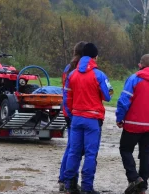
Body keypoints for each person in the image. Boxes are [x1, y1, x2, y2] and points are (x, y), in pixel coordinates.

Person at [63, 43, 113, 194]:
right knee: (91, 154)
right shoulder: (99, 75)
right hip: (93, 119)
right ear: (95, 57)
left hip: (76, 118)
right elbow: (108, 96)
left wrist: (72, 115)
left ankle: (69, 186)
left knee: (74, 152)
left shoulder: (72, 74)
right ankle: (86, 187)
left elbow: (67, 99)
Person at [115, 54, 149, 194]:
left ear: (140, 65)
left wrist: (120, 118)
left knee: (125, 150)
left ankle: (134, 178)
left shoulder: (133, 79)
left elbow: (124, 101)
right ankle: (142, 187)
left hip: (132, 124)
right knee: (145, 154)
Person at [59, 41, 87, 193]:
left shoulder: (68, 67)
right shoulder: (77, 69)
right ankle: (66, 180)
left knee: (72, 147)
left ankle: (65, 179)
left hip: (68, 110)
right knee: (73, 148)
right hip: (74, 111)